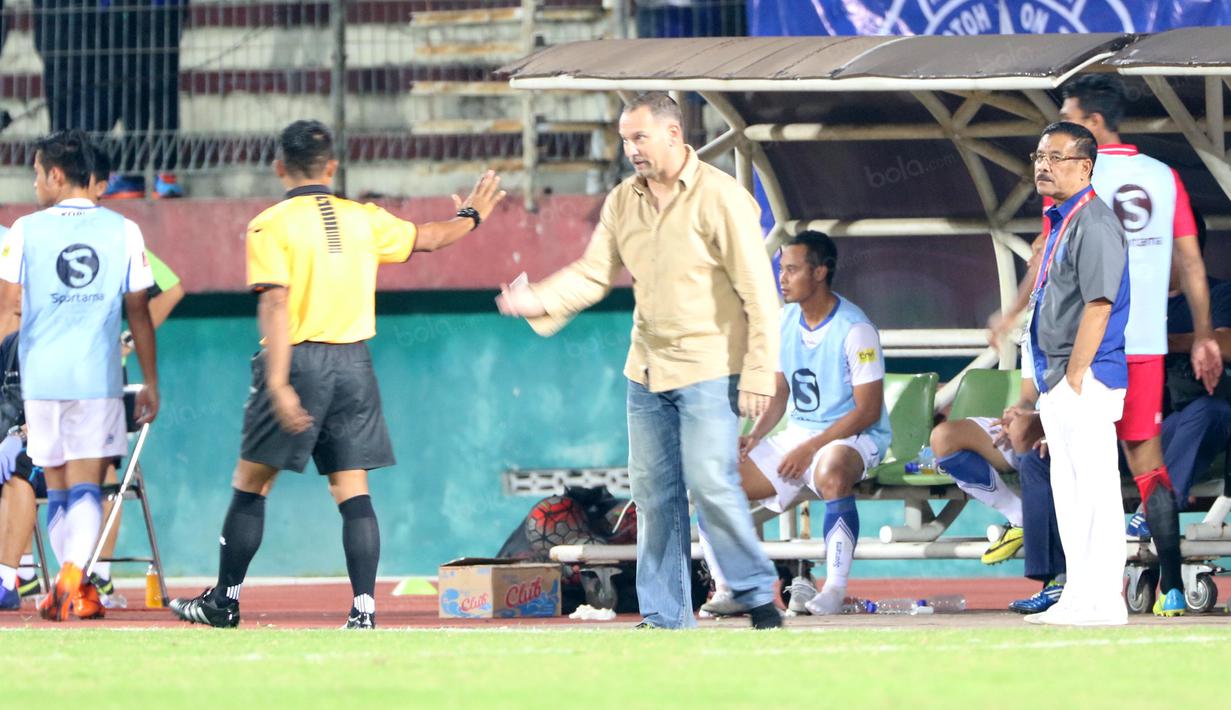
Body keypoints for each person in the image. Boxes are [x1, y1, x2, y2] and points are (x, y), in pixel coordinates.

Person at [169, 120, 506, 630]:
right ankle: (364, 610)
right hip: (353, 365)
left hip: (298, 361)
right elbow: (432, 237)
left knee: (251, 484)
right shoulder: (363, 219)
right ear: (332, 167)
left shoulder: (268, 225)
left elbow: (275, 304)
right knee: (352, 490)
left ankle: (224, 602)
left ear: (279, 167)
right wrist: (473, 214)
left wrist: (278, 383)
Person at [497, 92, 783, 630]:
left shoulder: (723, 198)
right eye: (625, 139)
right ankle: (664, 615)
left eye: (639, 137)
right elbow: (593, 273)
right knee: (653, 497)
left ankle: (754, 595)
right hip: (646, 373)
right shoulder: (621, 201)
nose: (631, 149)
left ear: (674, 134)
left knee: (711, 483)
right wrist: (539, 300)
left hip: (710, 367)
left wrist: (758, 371)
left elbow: (760, 294)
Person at [0, 130, 160, 621]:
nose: (33, 184)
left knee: (58, 489)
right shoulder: (124, 229)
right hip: (97, 380)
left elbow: (8, 308)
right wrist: (150, 380)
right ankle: (74, 577)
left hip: (40, 381)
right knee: (88, 487)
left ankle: (74, 585)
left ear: (55, 174)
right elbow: (140, 310)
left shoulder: (24, 230)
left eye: (35, 174)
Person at [698, 232, 891, 616]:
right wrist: (754, 436)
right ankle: (733, 590)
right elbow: (780, 392)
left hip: (854, 436)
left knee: (833, 471)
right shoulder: (784, 322)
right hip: (800, 436)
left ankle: (833, 591)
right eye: (781, 270)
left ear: (820, 272)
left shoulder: (856, 329)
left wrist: (809, 448)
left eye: (792, 270)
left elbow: (868, 411)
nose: (782, 279)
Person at [1024, 120, 1130, 626]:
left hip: (1084, 377)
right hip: (1060, 378)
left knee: (1095, 493)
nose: (1043, 166)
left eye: (1056, 157)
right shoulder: (1064, 219)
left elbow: (1099, 304)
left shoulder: (1096, 222)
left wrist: (1074, 376)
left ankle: (1105, 600)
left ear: (1085, 167)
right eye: (1039, 157)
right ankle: (1078, 596)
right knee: (1069, 496)